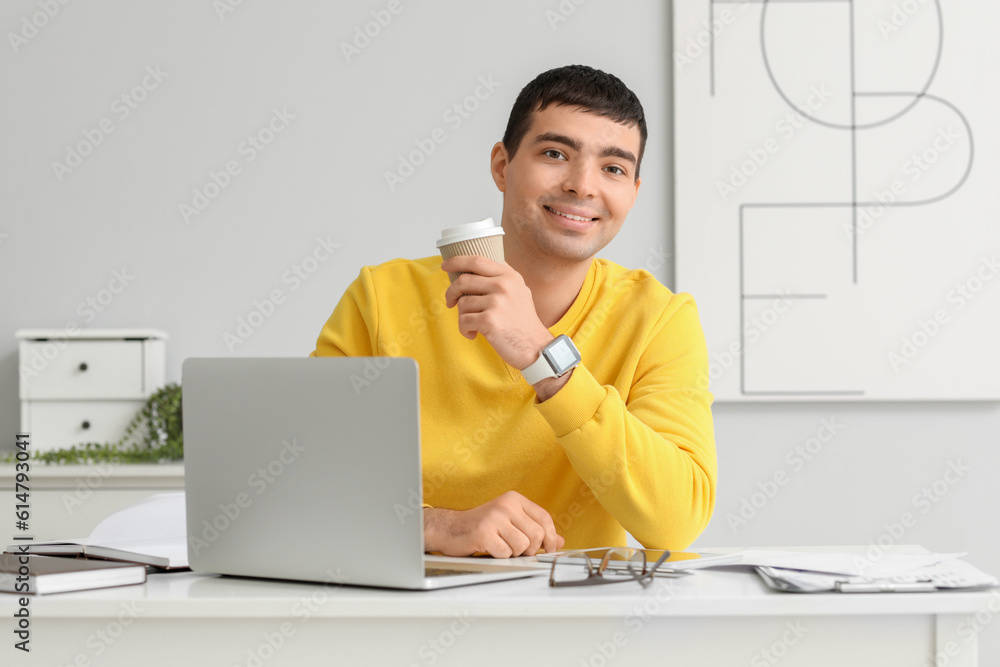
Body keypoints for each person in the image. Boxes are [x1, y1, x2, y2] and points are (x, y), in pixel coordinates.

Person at [310, 64, 716, 558]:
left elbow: (676, 522)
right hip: (398, 616)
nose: (582, 185)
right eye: (554, 153)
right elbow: (302, 486)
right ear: (502, 166)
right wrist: (436, 528)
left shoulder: (657, 319)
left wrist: (541, 354)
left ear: (632, 191)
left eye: (613, 168)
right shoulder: (382, 298)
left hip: (572, 620)